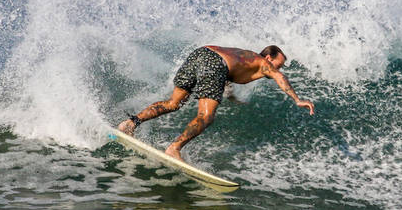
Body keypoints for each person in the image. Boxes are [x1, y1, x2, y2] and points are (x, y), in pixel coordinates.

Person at [117, 45, 315, 160]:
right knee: (206, 116)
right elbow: (281, 79)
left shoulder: (246, 58)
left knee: (173, 103)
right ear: (269, 57)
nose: (278, 70)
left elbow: (224, 77)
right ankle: (174, 149)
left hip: (201, 54)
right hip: (214, 63)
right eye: (278, 65)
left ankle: (130, 123)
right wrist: (297, 100)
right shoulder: (264, 64)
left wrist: (232, 97)